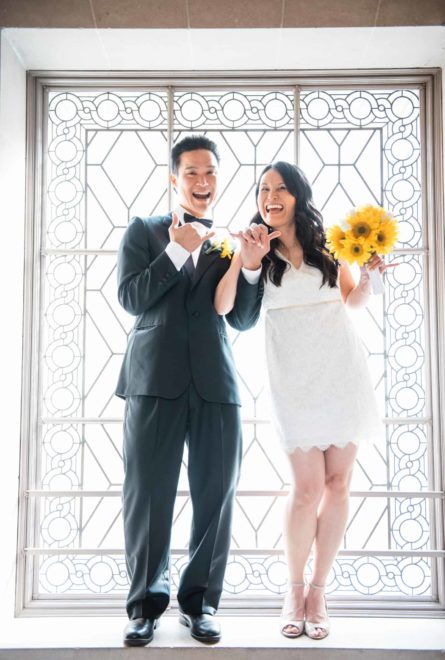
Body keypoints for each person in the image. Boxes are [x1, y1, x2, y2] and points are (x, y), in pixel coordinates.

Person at [214, 161, 390, 640]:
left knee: (338, 483)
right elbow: (228, 308)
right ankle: (292, 590)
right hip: (293, 380)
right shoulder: (255, 249)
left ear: (298, 195)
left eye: (281, 189)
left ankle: (318, 590)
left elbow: (351, 302)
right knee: (306, 488)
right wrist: (242, 257)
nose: (271, 197)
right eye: (264, 189)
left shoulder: (331, 243)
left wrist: (369, 277)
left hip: (342, 373)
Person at [116, 135, 264, 646]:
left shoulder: (232, 240)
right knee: (148, 497)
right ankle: (144, 606)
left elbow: (242, 317)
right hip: (153, 381)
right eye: (192, 173)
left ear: (219, 179)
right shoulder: (144, 230)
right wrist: (177, 252)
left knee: (216, 497)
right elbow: (132, 297)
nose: (203, 183)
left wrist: (249, 266)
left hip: (216, 386)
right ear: (175, 179)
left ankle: (200, 603)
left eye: (211, 173)